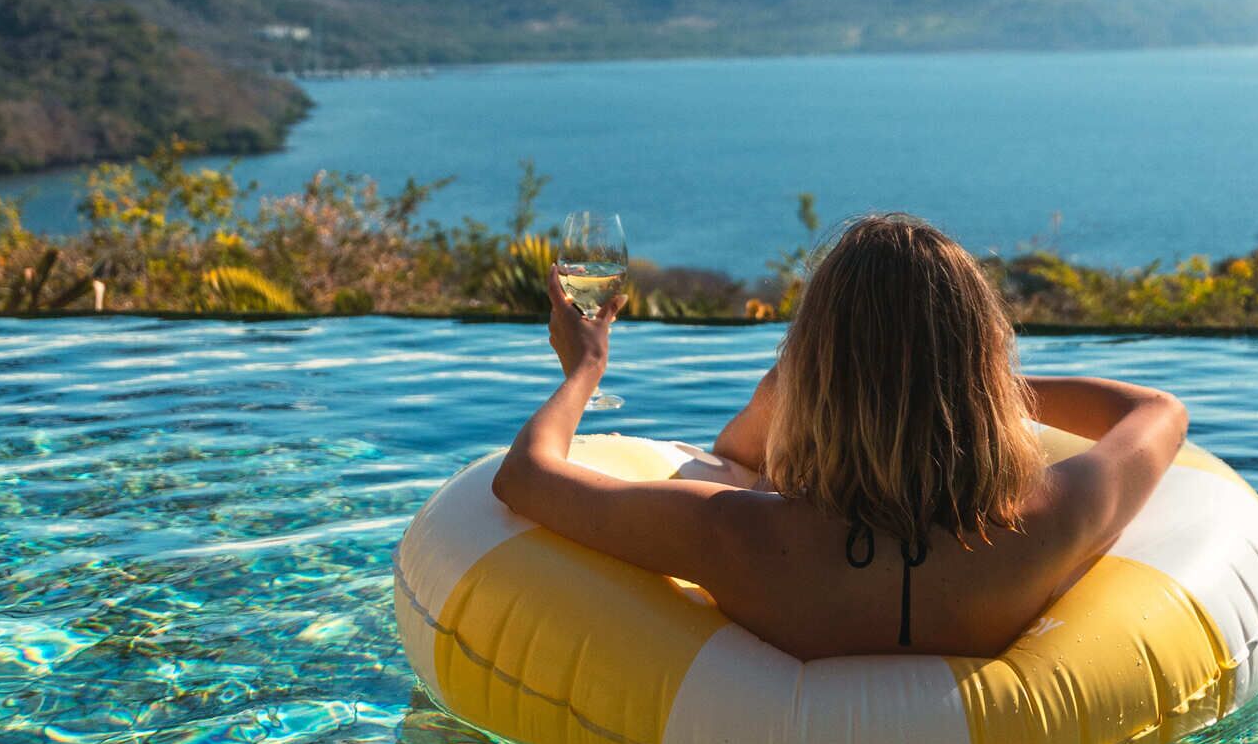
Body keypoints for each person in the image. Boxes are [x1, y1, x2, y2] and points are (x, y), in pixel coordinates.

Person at [493, 209, 1187, 663]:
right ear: (982, 359)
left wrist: (586, 366)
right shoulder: (1060, 513)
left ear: (814, 368)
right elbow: (1159, 411)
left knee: (737, 457)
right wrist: (953, 385)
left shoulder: (731, 534)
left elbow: (524, 476)